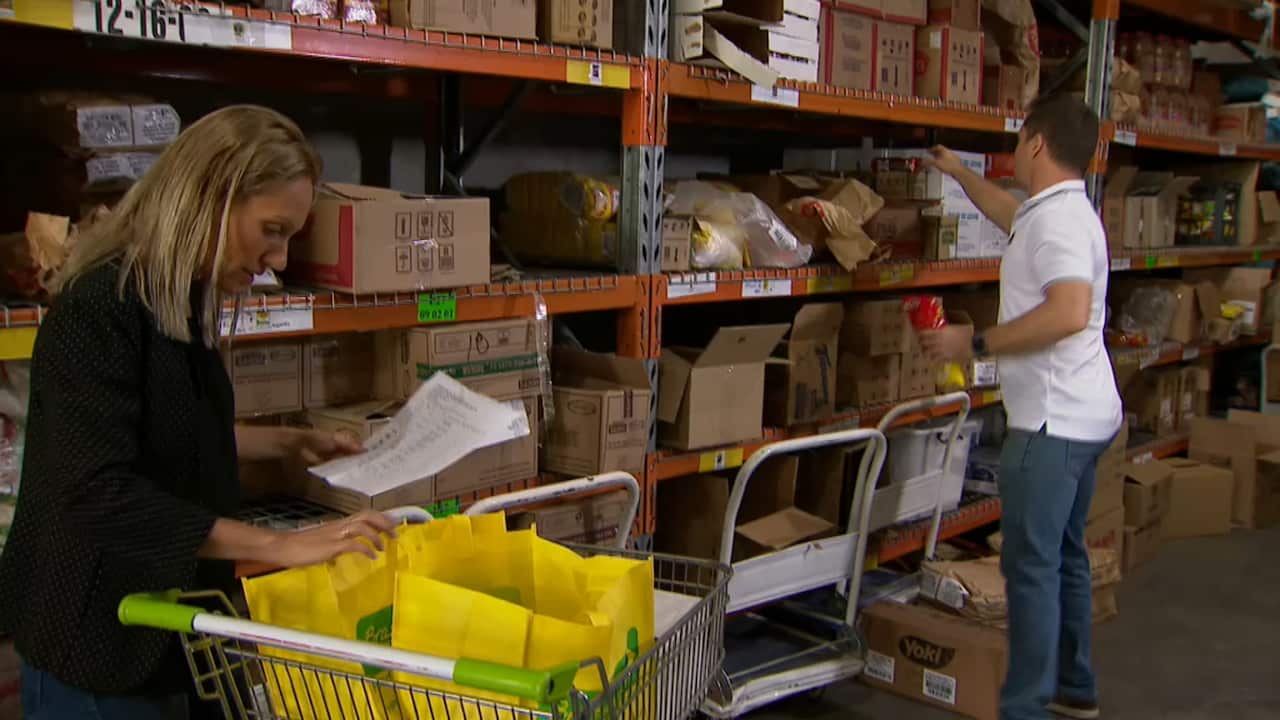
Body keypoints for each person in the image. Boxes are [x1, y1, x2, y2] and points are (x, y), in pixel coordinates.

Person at [0, 105, 399, 719]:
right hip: (97, 643)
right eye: (272, 229)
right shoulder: (99, 306)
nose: (281, 260)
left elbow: (157, 426)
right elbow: (97, 489)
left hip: (170, 624)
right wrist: (279, 546)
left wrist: (284, 445)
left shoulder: (180, 296)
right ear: (211, 196)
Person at [919, 94, 1123, 720]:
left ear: (1036, 144)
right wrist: (956, 172)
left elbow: (1066, 312)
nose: (1012, 149)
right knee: (1061, 557)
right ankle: (1074, 688)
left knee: (1030, 568)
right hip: (1084, 419)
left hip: (1051, 427)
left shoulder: (1059, 223)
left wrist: (972, 341)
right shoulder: (1057, 212)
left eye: (1017, 138)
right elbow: (1008, 210)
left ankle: (1027, 708)